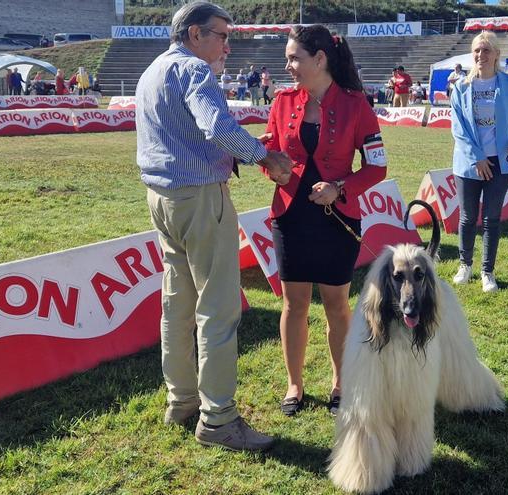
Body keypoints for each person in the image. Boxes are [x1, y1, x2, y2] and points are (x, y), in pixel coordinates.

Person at [136, 1, 291, 451]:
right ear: (194, 35)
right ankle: (219, 418)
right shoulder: (194, 71)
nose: (227, 44)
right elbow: (215, 125)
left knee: (177, 302)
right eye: (222, 34)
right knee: (218, 309)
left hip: (163, 199)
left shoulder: (153, 72)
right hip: (201, 198)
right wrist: (264, 156)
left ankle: (181, 400)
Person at [263, 24, 387, 418]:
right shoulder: (282, 101)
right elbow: (268, 149)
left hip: (338, 219)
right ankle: (294, 384)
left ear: (320, 59)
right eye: (287, 59)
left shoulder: (356, 104)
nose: (288, 66)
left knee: (336, 304)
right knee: (293, 303)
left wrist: (340, 187)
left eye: (294, 58)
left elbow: (377, 166)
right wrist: (273, 170)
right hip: (290, 217)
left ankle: (341, 381)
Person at [450, 30, 508, 293]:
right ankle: (465, 265)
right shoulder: (461, 87)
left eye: (486, 50)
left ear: (496, 55)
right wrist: (478, 158)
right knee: (468, 218)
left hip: (501, 163)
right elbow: (458, 129)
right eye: (477, 51)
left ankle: (487, 271)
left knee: (492, 218)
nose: (481, 55)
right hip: (469, 163)